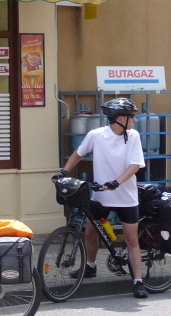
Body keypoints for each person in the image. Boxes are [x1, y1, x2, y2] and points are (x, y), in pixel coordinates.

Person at [55, 97, 148, 298]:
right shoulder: (96, 135)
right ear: (120, 118)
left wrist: (116, 182)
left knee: (131, 239)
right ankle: (90, 266)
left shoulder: (133, 136)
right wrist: (63, 172)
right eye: (132, 117)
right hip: (101, 195)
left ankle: (138, 281)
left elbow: (135, 165)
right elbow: (78, 153)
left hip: (126, 196)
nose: (135, 120)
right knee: (90, 233)